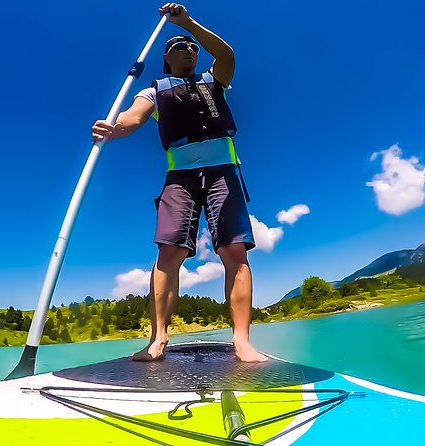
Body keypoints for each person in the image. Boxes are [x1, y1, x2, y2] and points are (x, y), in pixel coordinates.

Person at [92, 3, 266, 362]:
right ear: (166, 58)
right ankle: (158, 339)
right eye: (178, 47)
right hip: (180, 180)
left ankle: (242, 340)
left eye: (191, 47)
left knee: (234, 252)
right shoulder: (155, 90)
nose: (187, 50)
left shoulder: (215, 79)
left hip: (223, 173)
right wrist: (114, 129)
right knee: (169, 253)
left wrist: (187, 24)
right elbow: (132, 118)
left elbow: (226, 53)